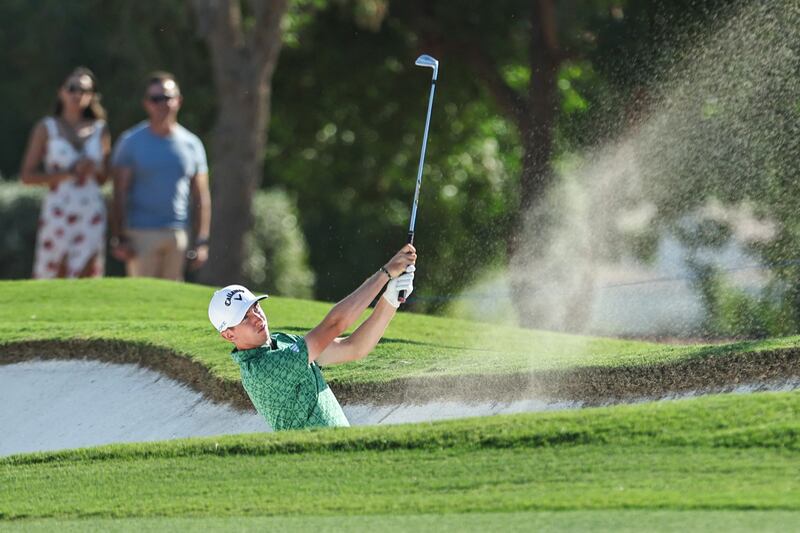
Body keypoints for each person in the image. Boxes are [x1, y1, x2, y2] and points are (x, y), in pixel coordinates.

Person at [208, 244, 417, 431]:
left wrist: (390, 299)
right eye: (244, 317)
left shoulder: (281, 342)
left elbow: (354, 348)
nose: (256, 317)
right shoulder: (262, 369)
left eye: (255, 307)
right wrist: (385, 273)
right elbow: (334, 324)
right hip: (319, 464)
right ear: (228, 334)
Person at [110, 71, 211, 280]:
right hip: (141, 234)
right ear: (147, 103)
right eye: (155, 99)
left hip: (178, 234)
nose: (161, 104)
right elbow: (119, 193)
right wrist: (119, 237)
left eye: (167, 98)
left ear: (178, 101)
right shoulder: (131, 142)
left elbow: (201, 195)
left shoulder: (192, 144)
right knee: (141, 298)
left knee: (171, 303)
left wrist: (201, 240)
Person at [20, 67, 111, 279]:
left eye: (85, 90)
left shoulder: (100, 129)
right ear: (61, 92)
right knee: (54, 270)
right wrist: (68, 173)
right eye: (72, 88)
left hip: (90, 210)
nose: (77, 94)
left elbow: (104, 178)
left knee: (87, 271)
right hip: (59, 209)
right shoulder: (46, 128)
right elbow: (27, 176)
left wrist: (94, 168)